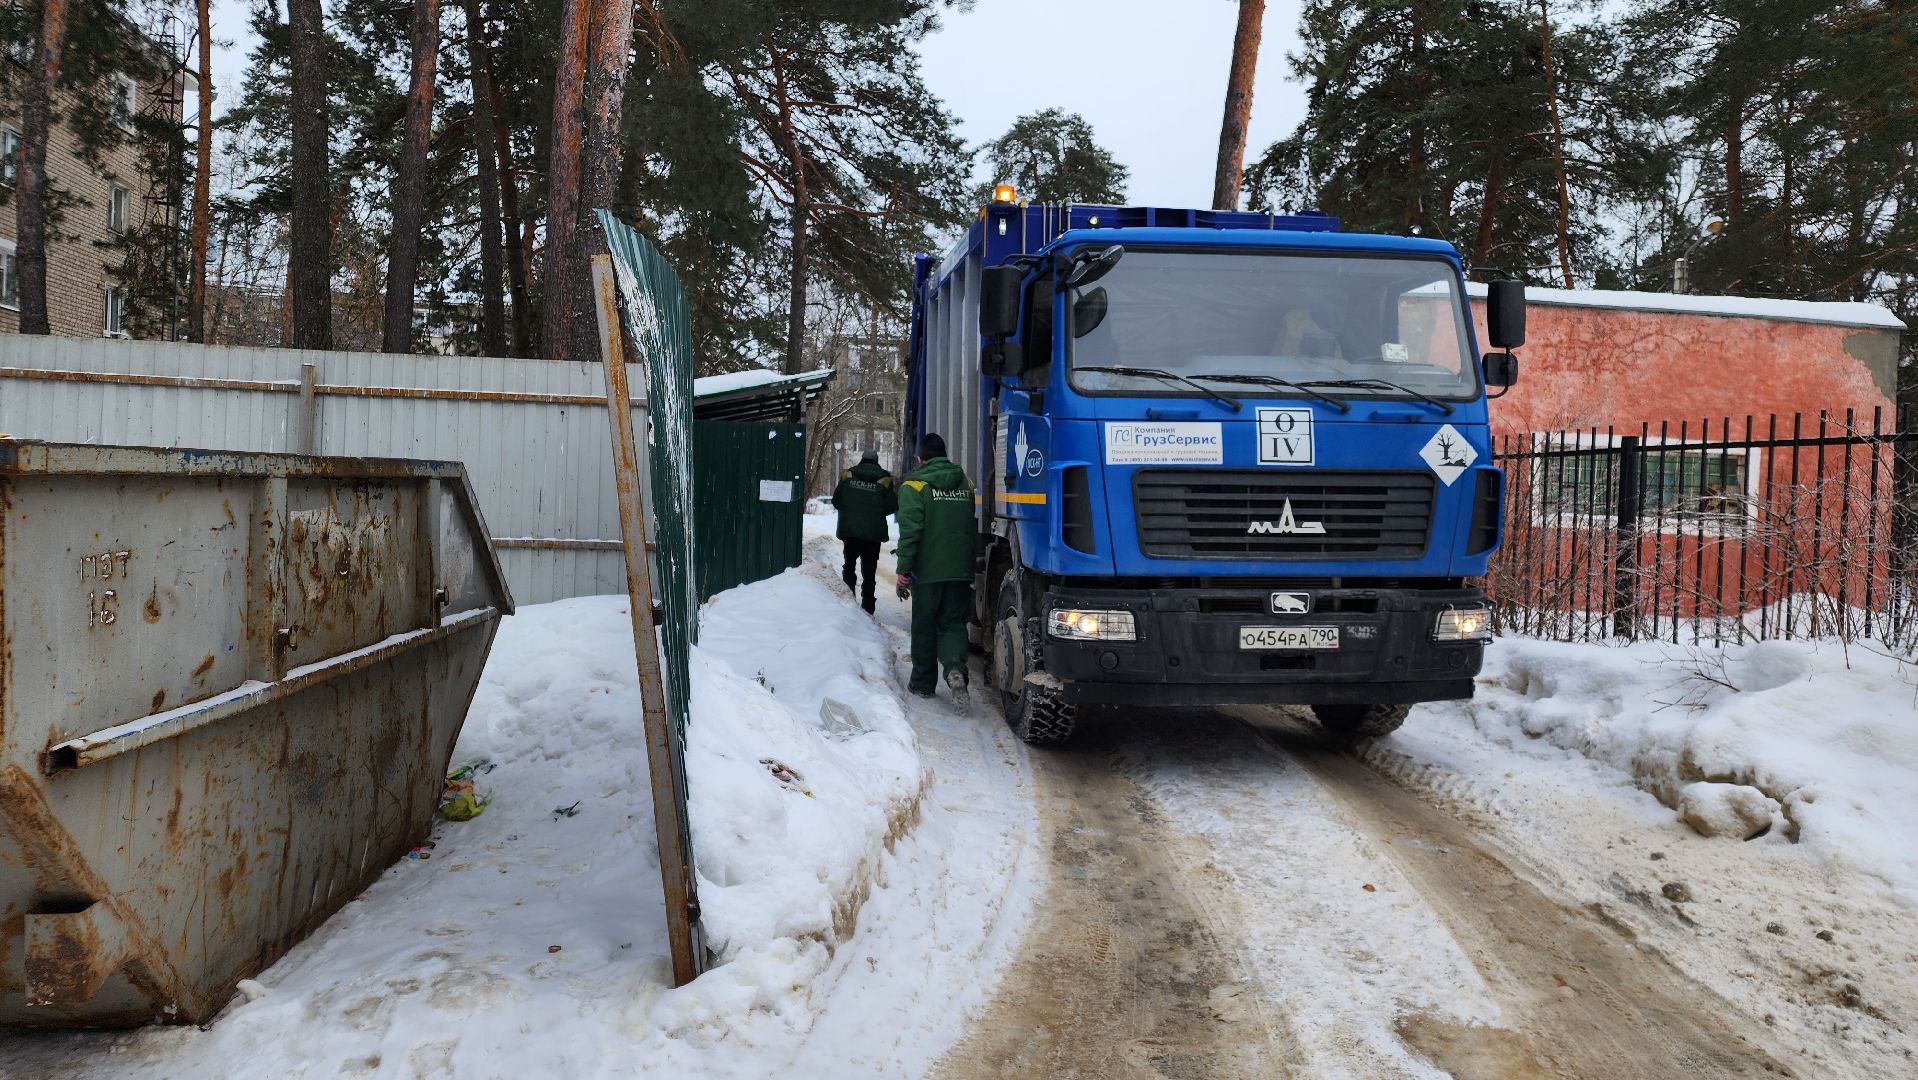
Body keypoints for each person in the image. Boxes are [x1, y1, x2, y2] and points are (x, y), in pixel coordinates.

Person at [895, 432, 976, 704]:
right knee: (953, 624)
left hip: (928, 572)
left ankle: (922, 683)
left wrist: (903, 569)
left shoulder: (914, 486)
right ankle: (955, 669)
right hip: (960, 570)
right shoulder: (965, 484)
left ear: (919, 458)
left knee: (925, 626)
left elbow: (910, 532)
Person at [831, 449, 896, 614]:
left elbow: (836, 501)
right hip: (873, 534)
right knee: (869, 572)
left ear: (862, 459)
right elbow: (892, 506)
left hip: (850, 531)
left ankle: (849, 603)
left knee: (849, 566)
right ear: (876, 460)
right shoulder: (885, 479)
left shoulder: (848, 475)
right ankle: (868, 608)